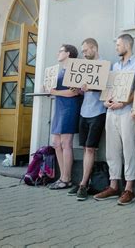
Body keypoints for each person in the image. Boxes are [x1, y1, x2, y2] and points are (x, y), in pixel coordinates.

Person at [94, 34, 135, 205]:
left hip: (127, 112)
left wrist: (123, 102)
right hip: (112, 113)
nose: (116, 48)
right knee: (112, 150)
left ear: (127, 45)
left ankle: (129, 189)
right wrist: (107, 100)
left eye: (118, 44)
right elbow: (110, 88)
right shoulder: (115, 66)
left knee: (129, 150)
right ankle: (113, 185)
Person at [67, 38, 107, 201]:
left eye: (85, 50)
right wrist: (79, 89)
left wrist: (90, 87)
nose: (83, 53)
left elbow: (105, 87)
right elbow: (85, 90)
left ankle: (83, 184)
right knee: (85, 148)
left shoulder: (104, 65)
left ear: (94, 48)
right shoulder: (83, 66)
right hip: (84, 111)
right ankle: (85, 180)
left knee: (90, 148)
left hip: (98, 111)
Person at [48, 44, 82, 190]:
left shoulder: (73, 69)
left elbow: (74, 92)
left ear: (68, 53)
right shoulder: (60, 69)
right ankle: (62, 176)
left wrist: (55, 92)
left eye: (61, 50)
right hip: (59, 107)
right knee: (56, 143)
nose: (58, 53)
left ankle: (67, 178)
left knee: (66, 143)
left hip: (69, 107)